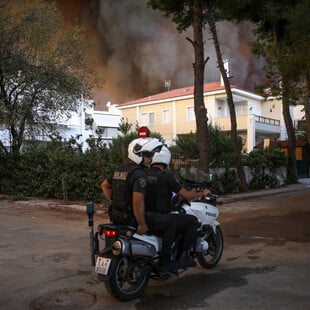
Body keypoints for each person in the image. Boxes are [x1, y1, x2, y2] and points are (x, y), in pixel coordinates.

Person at [145, 145, 211, 269]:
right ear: (166, 160)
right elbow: (186, 195)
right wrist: (202, 193)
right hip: (160, 218)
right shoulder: (166, 177)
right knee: (191, 221)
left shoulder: (142, 174)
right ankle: (183, 257)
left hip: (145, 216)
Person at [101, 137, 163, 235]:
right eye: (148, 155)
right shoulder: (139, 174)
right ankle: (166, 250)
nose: (151, 158)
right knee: (171, 222)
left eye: (151, 155)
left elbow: (105, 185)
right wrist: (142, 224)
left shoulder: (120, 169)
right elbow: (137, 202)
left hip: (116, 216)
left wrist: (116, 201)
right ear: (137, 154)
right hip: (131, 218)